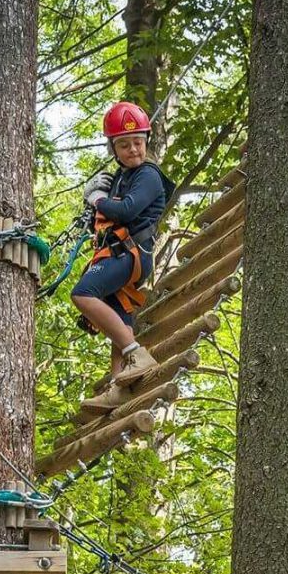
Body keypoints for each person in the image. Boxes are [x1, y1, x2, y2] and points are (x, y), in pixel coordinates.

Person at [71, 100, 173, 377]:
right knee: (120, 317)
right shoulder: (123, 177)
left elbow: (127, 209)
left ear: (146, 141)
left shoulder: (148, 175)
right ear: (113, 149)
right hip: (119, 253)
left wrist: (97, 198)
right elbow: (106, 219)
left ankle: (135, 353)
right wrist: (98, 203)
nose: (133, 150)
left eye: (138, 142)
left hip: (130, 253)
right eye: (125, 144)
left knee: (82, 293)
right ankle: (119, 382)